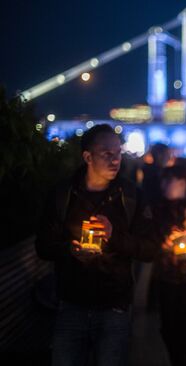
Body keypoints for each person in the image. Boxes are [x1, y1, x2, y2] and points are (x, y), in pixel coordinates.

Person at [35, 124, 159, 366]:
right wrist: (70, 250)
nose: (116, 160)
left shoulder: (131, 196)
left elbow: (149, 249)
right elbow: (43, 247)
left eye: (118, 153)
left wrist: (113, 236)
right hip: (70, 305)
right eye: (107, 154)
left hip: (115, 307)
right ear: (87, 157)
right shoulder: (63, 195)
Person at [151, 166, 186, 366]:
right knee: (168, 327)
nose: (164, 185)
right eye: (163, 181)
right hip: (166, 275)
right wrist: (165, 242)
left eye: (169, 181)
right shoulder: (157, 208)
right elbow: (152, 238)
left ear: (183, 183)